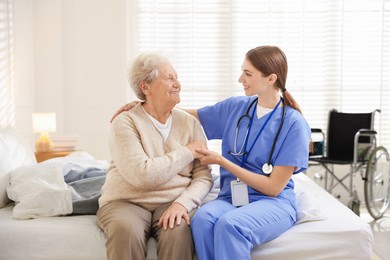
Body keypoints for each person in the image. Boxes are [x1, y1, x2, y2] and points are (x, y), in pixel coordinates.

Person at [112, 45, 311, 260]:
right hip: (231, 197)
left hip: (273, 202)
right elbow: (191, 115)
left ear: (271, 78)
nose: (240, 78)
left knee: (230, 224)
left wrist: (221, 161)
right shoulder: (236, 107)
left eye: (247, 73)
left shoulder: (294, 124)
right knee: (202, 220)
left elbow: (273, 188)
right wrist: (145, 104)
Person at [97, 52, 213, 260]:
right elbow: (142, 175)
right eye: (169, 78)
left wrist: (183, 203)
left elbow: (203, 176)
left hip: (173, 201)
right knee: (126, 231)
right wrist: (187, 152)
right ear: (145, 87)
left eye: (177, 78)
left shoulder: (190, 123)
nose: (177, 84)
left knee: (179, 231)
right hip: (127, 201)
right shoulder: (125, 122)